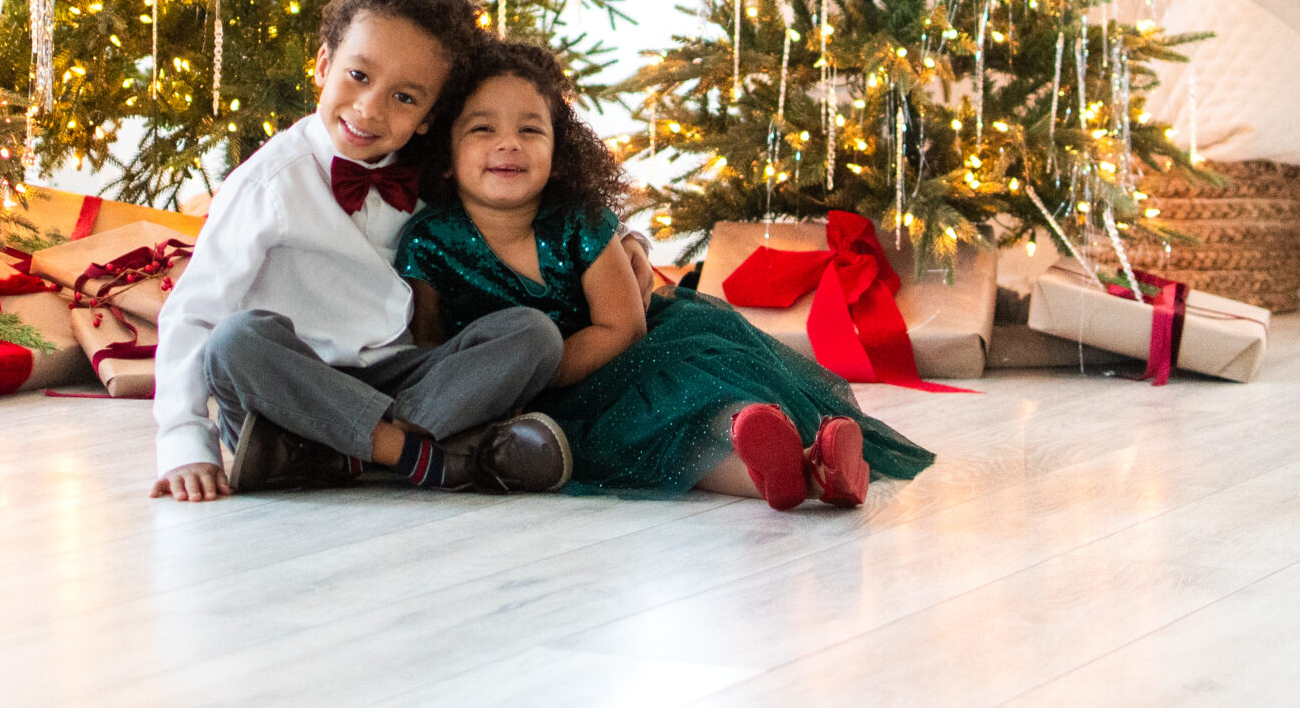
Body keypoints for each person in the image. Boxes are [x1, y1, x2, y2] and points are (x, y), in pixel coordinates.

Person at [395, 39, 936, 508]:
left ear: (560, 155)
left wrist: (534, 377)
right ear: (445, 154)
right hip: (515, 401)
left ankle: (789, 447)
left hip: (634, 356)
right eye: (482, 129)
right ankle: (803, 477)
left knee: (693, 402)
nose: (508, 143)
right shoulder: (430, 241)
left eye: (530, 130)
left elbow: (622, 327)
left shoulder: (578, 222)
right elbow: (429, 346)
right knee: (642, 443)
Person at [149, 0, 573, 502]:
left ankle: (344, 451)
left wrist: (626, 240)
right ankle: (428, 457)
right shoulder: (267, 183)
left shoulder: (430, 173)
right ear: (324, 65)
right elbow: (194, 311)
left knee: (533, 334)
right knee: (236, 340)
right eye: (359, 76)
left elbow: (520, 205)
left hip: (397, 381)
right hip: (292, 387)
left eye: (405, 97)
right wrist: (185, 440)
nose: (370, 108)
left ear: (427, 115)